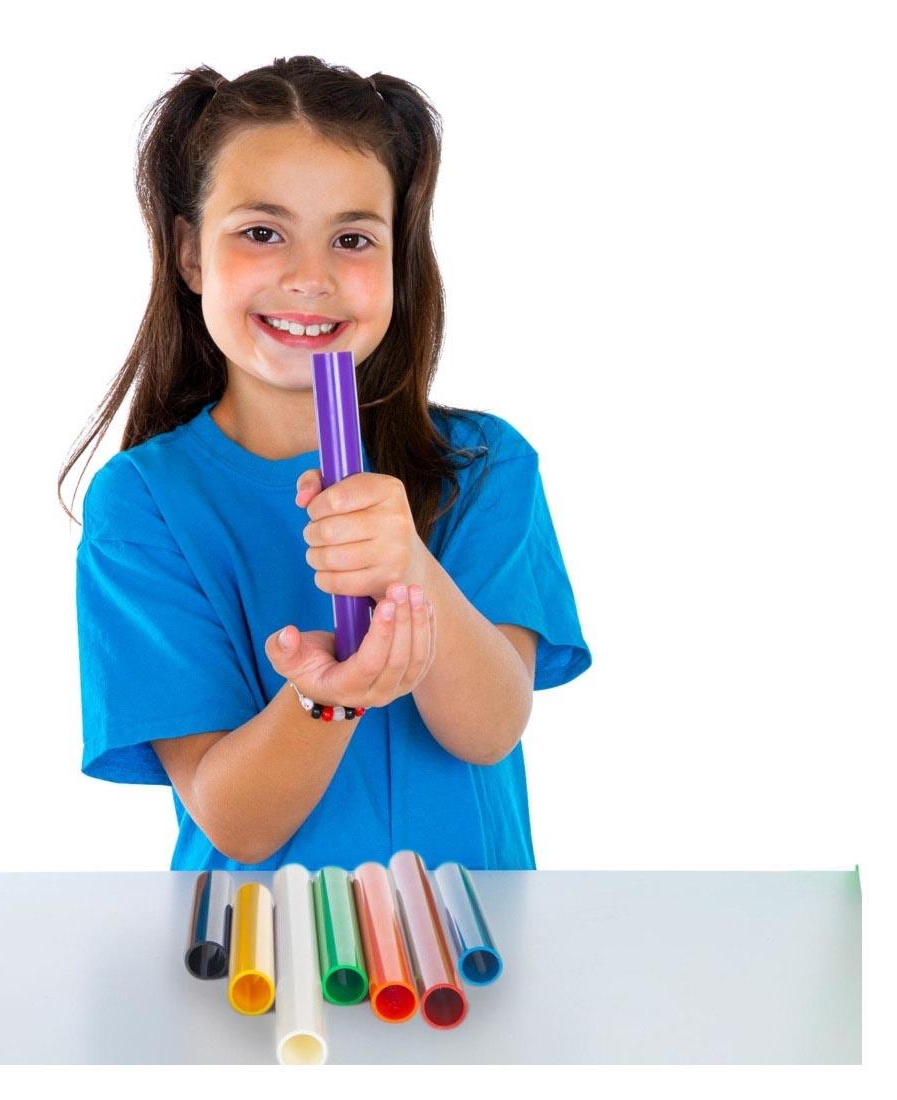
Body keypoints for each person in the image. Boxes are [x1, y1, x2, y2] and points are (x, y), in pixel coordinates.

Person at [59, 56, 592, 872]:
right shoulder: (143, 504)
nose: (310, 278)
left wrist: (408, 562)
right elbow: (237, 821)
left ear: (397, 262)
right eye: (263, 232)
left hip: (471, 959)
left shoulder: (486, 465)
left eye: (351, 238)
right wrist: (325, 699)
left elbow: (489, 730)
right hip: (260, 968)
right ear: (192, 254)